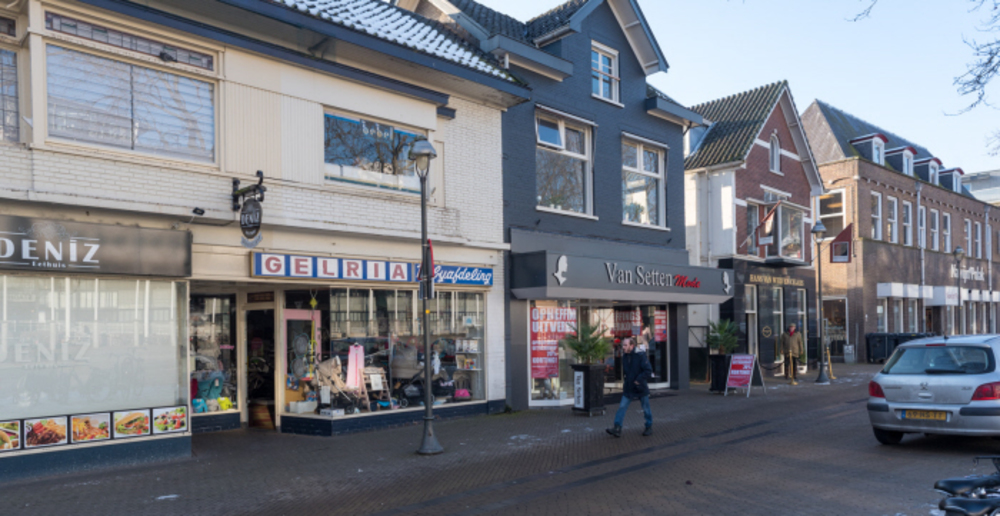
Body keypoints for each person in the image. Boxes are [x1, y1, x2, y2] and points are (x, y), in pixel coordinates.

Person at [606, 337, 653, 437]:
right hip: (629, 387)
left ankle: (649, 426)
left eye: (625, 345)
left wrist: (638, 380)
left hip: (640, 387)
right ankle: (617, 428)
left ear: (632, 346)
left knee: (646, 408)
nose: (623, 347)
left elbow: (648, 370)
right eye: (623, 345)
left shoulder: (640, 355)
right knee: (622, 406)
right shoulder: (625, 356)